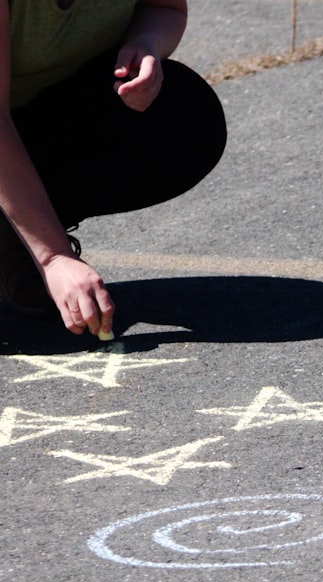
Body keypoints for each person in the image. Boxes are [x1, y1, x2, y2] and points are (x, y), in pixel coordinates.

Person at [0, 0, 226, 337]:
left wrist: (145, 41)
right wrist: (54, 256)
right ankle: (28, 237)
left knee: (185, 113)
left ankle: (11, 235)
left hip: (37, 114)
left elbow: (166, 8)